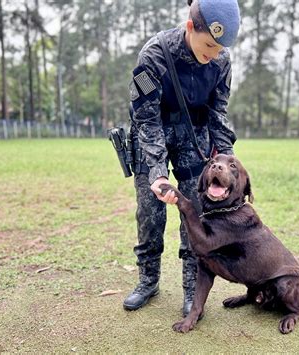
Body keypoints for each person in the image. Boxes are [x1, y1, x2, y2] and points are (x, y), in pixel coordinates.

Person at [123, 0, 241, 317]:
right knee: (150, 212)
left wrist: (227, 161)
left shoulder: (221, 62)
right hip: (153, 135)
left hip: (195, 138)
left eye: (219, 48)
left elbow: (218, 114)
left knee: (195, 213)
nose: (213, 54)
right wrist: (158, 172)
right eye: (209, 45)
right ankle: (148, 282)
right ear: (191, 27)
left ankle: (192, 291)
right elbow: (146, 120)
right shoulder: (153, 56)